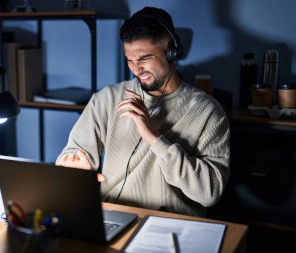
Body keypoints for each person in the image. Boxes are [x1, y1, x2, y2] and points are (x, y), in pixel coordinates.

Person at [56, 6, 230, 217]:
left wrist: (153, 137)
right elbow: (73, 153)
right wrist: (73, 167)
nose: (136, 69)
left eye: (144, 58)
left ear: (172, 51)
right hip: (112, 218)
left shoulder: (208, 112)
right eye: (130, 59)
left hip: (171, 227)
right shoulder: (107, 98)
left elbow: (210, 193)